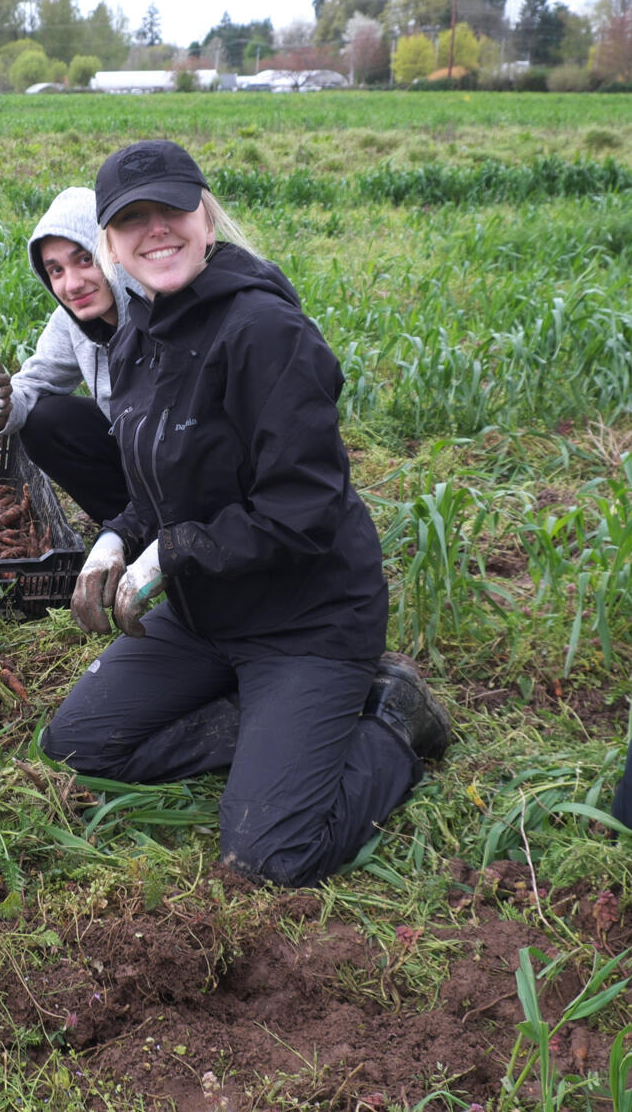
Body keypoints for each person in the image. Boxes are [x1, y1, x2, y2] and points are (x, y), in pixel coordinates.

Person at [41, 139, 451, 887]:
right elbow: (159, 483)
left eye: (172, 209)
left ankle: (393, 721)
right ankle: (271, 726)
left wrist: (170, 554)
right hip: (207, 615)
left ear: (205, 217)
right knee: (77, 745)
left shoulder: (265, 331)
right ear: (111, 244)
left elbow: (304, 510)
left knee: (267, 855)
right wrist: (117, 536)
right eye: (131, 220)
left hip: (306, 621)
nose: (155, 230)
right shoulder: (137, 336)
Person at [0, 187, 138, 524]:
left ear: (113, 251)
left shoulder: (157, 308)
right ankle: (129, 527)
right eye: (56, 270)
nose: (72, 284)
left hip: (188, 459)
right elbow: (32, 385)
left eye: (85, 259)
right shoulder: (70, 321)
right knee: (45, 419)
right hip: (134, 446)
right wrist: (0, 407)